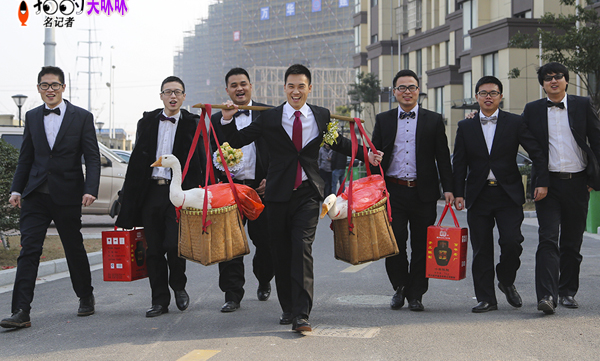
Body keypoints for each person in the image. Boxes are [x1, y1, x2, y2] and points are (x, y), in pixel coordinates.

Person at [220, 64, 382, 332]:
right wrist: (227, 120)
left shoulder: (321, 116)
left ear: (309, 88)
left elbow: (337, 142)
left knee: (302, 249)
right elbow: (237, 140)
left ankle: (302, 313)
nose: (296, 91)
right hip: (277, 195)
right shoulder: (271, 117)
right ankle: (288, 307)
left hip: (308, 193)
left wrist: (368, 155)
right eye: (291, 86)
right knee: (281, 252)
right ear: (285, 88)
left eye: (301, 86)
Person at [1, 66, 100, 329]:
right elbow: (26, 157)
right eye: (44, 85)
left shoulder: (82, 117)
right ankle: (21, 311)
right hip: (35, 195)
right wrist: (16, 190)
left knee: (73, 247)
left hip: (67, 194)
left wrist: (90, 188)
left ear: (63, 87)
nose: (50, 90)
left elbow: (92, 157)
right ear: (38, 89)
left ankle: (85, 296)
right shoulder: (32, 116)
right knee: (29, 250)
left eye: (55, 85)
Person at [453, 76, 549, 313]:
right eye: (483, 93)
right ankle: (486, 298)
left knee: (512, 242)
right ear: (476, 97)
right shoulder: (465, 126)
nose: (488, 97)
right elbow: (459, 162)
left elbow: (536, 152)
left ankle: (506, 280)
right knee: (481, 249)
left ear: (501, 96)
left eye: (493, 93)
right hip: (478, 194)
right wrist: (457, 193)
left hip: (508, 194)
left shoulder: (515, 122)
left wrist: (541, 181)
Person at [115, 76, 206, 318]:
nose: (173, 96)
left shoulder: (193, 123)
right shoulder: (146, 121)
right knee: (153, 250)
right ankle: (159, 300)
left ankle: (179, 286)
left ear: (184, 96)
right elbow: (137, 160)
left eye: (177, 92)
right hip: (151, 192)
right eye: (168, 92)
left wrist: (204, 192)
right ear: (161, 96)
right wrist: (126, 195)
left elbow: (202, 159)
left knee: (174, 245)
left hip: (177, 193)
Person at [371, 69, 453, 312]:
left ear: (418, 91)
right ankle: (399, 286)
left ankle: (416, 294)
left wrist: (449, 188)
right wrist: (373, 186)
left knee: (422, 245)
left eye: (412, 87)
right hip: (392, 193)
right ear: (394, 92)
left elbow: (443, 157)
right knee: (394, 242)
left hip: (423, 193)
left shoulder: (434, 120)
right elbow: (373, 157)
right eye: (402, 88)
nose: (407, 92)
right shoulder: (383, 119)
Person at [522, 62, 600, 314]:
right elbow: (514, 131)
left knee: (571, 242)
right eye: (548, 78)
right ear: (543, 84)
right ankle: (546, 295)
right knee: (547, 239)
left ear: (566, 80)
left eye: (558, 76)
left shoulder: (582, 104)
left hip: (578, 182)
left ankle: (567, 291)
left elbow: (597, 140)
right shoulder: (533, 109)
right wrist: (475, 117)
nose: (553, 80)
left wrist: (593, 180)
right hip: (547, 185)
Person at [210, 67, 274, 313]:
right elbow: (210, 153)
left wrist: (271, 178)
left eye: (243, 84)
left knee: (266, 242)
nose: (239, 88)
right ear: (227, 90)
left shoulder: (268, 114)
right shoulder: (218, 119)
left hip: (261, 189)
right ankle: (232, 294)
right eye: (234, 85)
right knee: (230, 243)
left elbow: (280, 151)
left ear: (251, 86)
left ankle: (264, 278)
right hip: (230, 190)